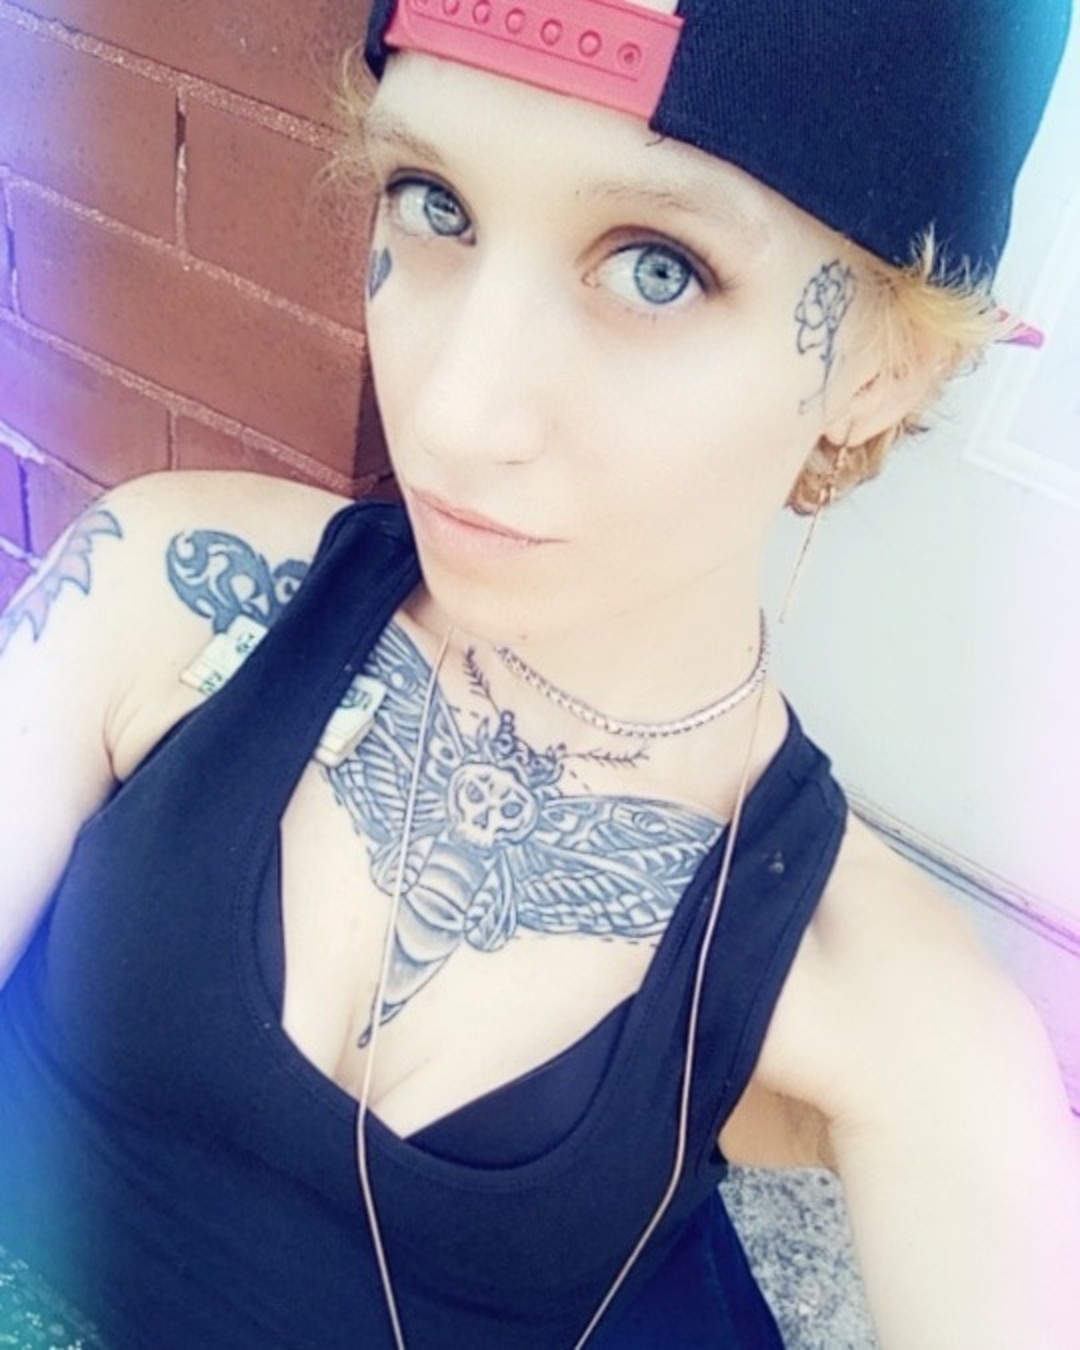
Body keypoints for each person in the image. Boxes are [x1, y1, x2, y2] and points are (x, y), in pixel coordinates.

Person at [1, 0, 1078, 1345]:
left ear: (882, 371)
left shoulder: (897, 1014)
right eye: (433, 202)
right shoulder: (169, 590)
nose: (455, 413)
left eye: (657, 270)